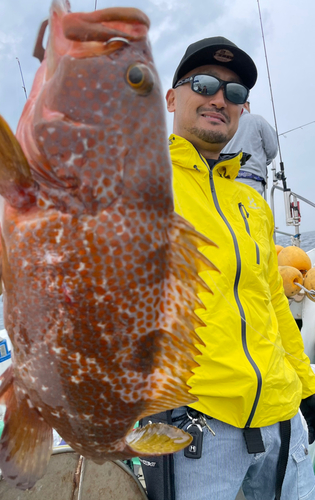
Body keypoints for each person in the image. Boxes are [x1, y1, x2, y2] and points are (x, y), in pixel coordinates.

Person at [140, 37, 315, 500]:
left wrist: (305, 389)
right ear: (173, 97)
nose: (220, 98)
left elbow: (275, 304)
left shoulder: (252, 205)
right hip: (195, 429)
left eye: (235, 93)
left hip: (282, 419)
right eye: (205, 83)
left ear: (242, 110)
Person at [222, 99, 278, 196]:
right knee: (249, 209)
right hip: (252, 180)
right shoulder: (257, 120)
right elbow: (272, 150)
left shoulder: (222, 125)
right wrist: (264, 160)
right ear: (245, 104)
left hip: (224, 181)